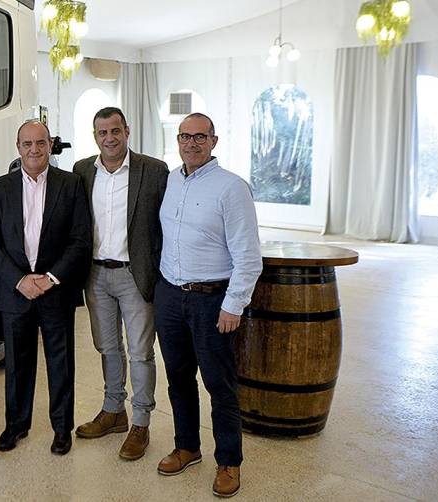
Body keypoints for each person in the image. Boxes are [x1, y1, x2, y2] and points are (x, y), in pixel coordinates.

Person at [155, 113, 262, 498]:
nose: (191, 143)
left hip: (212, 300)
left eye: (200, 137)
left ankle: (229, 461)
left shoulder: (232, 188)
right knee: (178, 377)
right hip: (169, 295)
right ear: (178, 140)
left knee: (219, 384)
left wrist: (233, 305)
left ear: (214, 141)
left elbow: (249, 256)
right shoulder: (169, 180)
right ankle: (187, 446)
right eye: (185, 136)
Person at [0, 120, 92, 456]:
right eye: (27, 143)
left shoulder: (71, 184)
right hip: (15, 291)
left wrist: (50, 278)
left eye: (41, 143)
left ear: (50, 145)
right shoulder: (1, 187)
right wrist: (19, 279)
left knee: (60, 363)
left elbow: (80, 239)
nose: (34, 149)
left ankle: (62, 429)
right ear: (18, 147)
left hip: (55, 290)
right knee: (17, 363)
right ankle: (16, 425)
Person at [72, 107, 169, 460]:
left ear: (126, 131)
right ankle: (114, 410)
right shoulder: (82, 170)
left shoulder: (154, 170)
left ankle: (140, 422)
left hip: (135, 273)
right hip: (96, 275)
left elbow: (166, 224)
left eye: (115, 131)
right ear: (95, 136)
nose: (109, 138)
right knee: (106, 347)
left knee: (140, 352)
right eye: (102, 133)